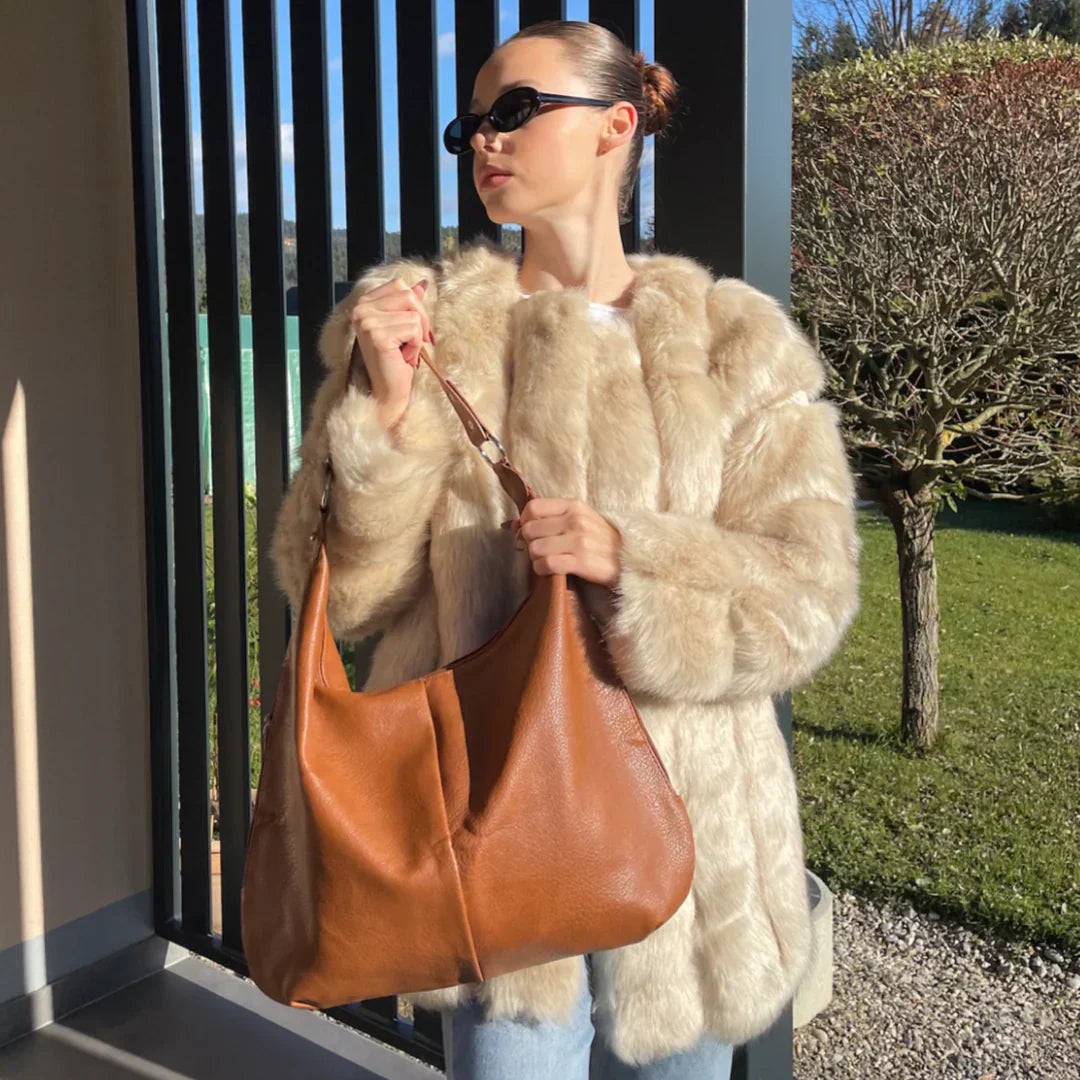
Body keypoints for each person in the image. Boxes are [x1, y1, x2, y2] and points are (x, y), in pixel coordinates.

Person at [269, 17, 861, 1080]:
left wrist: (633, 558)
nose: (484, 140)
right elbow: (345, 596)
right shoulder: (425, 332)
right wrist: (385, 415)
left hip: (694, 861)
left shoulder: (736, 343)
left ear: (615, 126)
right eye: (470, 125)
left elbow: (809, 593)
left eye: (515, 110)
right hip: (486, 831)